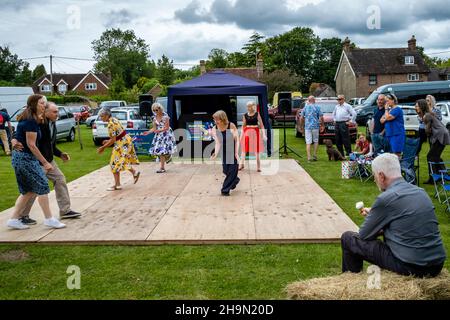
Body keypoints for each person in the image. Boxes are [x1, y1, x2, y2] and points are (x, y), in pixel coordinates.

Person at [341, 153, 446, 277]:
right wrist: (378, 216)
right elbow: (409, 223)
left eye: (374, 176)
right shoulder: (421, 192)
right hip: (437, 265)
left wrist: (378, 222)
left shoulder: (385, 199)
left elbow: (364, 235)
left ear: (381, 176)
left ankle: (352, 283)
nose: (374, 180)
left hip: (411, 267)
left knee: (348, 238)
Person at [11, 102, 82, 224]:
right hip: (36, 162)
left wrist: (60, 154)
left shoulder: (52, 123)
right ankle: (23, 215)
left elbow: (50, 145)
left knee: (60, 180)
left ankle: (65, 211)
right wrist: (13, 140)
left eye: (57, 111)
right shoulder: (38, 122)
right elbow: (21, 132)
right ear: (46, 112)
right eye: (54, 112)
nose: (57, 114)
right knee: (33, 189)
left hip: (49, 160)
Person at [7, 95, 65, 230]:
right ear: (33, 104)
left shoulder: (33, 119)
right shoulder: (31, 121)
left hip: (21, 158)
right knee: (43, 186)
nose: (43, 105)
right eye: (41, 103)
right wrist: (45, 163)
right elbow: (31, 145)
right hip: (25, 158)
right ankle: (49, 219)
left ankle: (14, 219)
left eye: (44, 103)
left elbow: (20, 134)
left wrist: (14, 139)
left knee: (28, 190)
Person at [97, 108, 140, 191]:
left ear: (106, 115)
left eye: (102, 116)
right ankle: (119, 183)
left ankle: (129, 176)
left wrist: (103, 147)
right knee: (118, 162)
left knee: (114, 163)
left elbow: (113, 140)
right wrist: (108, 141)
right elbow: (117, 136)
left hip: (122, 144)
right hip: (125, 141)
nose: (101, 118)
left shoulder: (110, 125)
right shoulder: (114, 119)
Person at [416, 99, 450, 184]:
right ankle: (442, 176)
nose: (415, 107)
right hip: (441, 134)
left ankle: (435, 178)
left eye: (417, 106)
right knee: (435, 156)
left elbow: (427, 130)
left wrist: (423, 134)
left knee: (430, 156)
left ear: (422, 106)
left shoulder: (426, 116)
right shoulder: (426, 115)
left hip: (440, 135)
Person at [211, 110, 240, 196]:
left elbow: (237, 140)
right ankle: (235, 180)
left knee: (232, 170)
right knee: (226, 170)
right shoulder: (214, 129)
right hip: (224, 151)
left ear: (223, 119)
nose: (215, 121)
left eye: (217, 119)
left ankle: (225, 190)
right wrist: (215, 154)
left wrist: (236, 153)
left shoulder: (231, 125)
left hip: (234, 149)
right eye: (214, 120)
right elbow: (217, 143)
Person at [143, 103, 177, 173]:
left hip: (166, 134)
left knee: (163, 150)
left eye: (156, 110)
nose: (155, 111)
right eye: (154, 110)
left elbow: (167, 127)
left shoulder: (165, 116)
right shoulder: (154, 118)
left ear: (160, 109)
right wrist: (148, 132)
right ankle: (164, 165)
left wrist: (159, 130)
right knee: (160, 151)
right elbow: (154, 128)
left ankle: (163, 165)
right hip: (159, 135)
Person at [239, 101, 266, 172]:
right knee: (244, 149)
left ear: (253, 106)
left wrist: (264, 134)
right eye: (248, 106)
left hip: (255, 131)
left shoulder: (257, 114)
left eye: (251, 106)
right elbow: (243, 126)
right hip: (247, 132)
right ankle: (241, 164)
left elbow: (262, 125)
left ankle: (258, 167)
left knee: (256, 150)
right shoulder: (245, 115)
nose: (249, 107)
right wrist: (241, 135)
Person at [299, 96, 324, 162]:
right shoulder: (317, 107)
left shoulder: (305, 108)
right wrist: (322, 125)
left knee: (308, 142)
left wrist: (301, 126)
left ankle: (309, 157)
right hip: (315, 126)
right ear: (314, 100)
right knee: (315, 140)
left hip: (307, 127)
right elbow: (321, 117)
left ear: (308, 100)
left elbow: (301, 118)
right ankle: (315, 155)